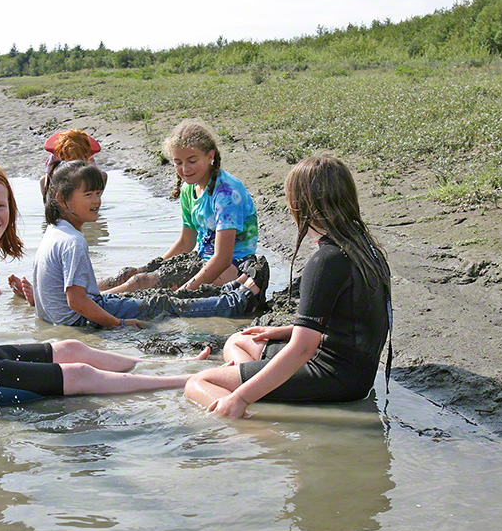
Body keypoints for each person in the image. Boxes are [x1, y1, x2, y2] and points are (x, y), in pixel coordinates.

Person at [0, 159, 210, 407]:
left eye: (0, 205)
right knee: (79, 373)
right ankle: (187, 380)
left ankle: (170, 366)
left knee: (72, 349)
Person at [184, 154, 393, 418]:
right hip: (357, 374)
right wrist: (285, 330)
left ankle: (258, 430)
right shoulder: (367, 249)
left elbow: (303, 349)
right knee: (241, 339)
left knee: (199, 383)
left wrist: (240, 397)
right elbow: (353, 320)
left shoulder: (326, 260)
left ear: (302, 205)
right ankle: (261, 387)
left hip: (331, 377)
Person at [28, 160, 270, 329]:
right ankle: (236, 302)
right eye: (88, 195)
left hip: (62, 321)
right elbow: (77, 302)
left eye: (99, 194)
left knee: (148, 295)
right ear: (60, 198)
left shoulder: (53, 232)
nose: (97, 201)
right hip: (82, 321)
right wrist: (119, 324)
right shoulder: (73, 242)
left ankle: (228, 295)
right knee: (164, 304)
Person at [101, 120, 262, 294]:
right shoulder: (188, 189)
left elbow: (223, 259)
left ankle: (95, 304)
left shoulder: (226, 193)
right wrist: (154, 266)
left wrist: (185, 291)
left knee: (140, 283)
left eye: (192, 161)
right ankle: (81, 298)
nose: (185, 169)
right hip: (203, 261)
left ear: (210, 156)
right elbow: (186, 242)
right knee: (130, 275)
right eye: (178, 163)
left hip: (234, 267)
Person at [38, 129, 102, 201]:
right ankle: (49, 203)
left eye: (79, 156)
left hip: (82, 180)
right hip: (61, 181)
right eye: (68, 156)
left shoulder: (88, 157)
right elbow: (48, 177)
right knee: (42, 180)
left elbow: (95, 176)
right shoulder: (55, 157)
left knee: (103, 175)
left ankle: (92, 200)